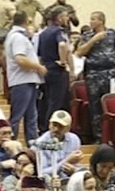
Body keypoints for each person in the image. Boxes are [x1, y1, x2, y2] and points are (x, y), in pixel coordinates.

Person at [5, 11, 47, 142]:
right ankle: (10, 143)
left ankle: (32, 146)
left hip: (27, 80)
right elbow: (20, 59)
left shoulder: (17, 36)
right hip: (22, 81)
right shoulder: (18, 37)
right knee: (17, 116)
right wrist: (39, 67)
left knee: (31, 117)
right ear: (26, 22)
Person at [77, 12, 115, 143]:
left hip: (110, 74)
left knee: (110, 104)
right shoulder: (87, 36)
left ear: (101, 21)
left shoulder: (112, 34)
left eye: (93, 19)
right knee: (95, 107)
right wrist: (93, 40)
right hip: (93, 74)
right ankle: (99, 137)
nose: (91, 21)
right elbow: (79, 52)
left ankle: (111, 136)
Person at [37, 6, 71, 127]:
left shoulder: (43, 33)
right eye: (66, 16)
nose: (68, 19)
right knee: (57, 102)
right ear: (60, 18)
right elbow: (62, 45)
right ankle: (52, 129)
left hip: (46, 68)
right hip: (57, 69)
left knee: (47, 100)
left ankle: (43, 126)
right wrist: (63, 61)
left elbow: (39, 54)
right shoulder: (59, 31)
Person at [32, 110, 82, 178]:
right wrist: (66, 161)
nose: (56, 129)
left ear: (68, 128)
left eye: (61, 126)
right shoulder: (40, 144)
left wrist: (74, 171)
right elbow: (42, 173)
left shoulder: (74, 139)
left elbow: (76, 166)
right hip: (49, 182)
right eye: (54, 125)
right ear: (49, 124)